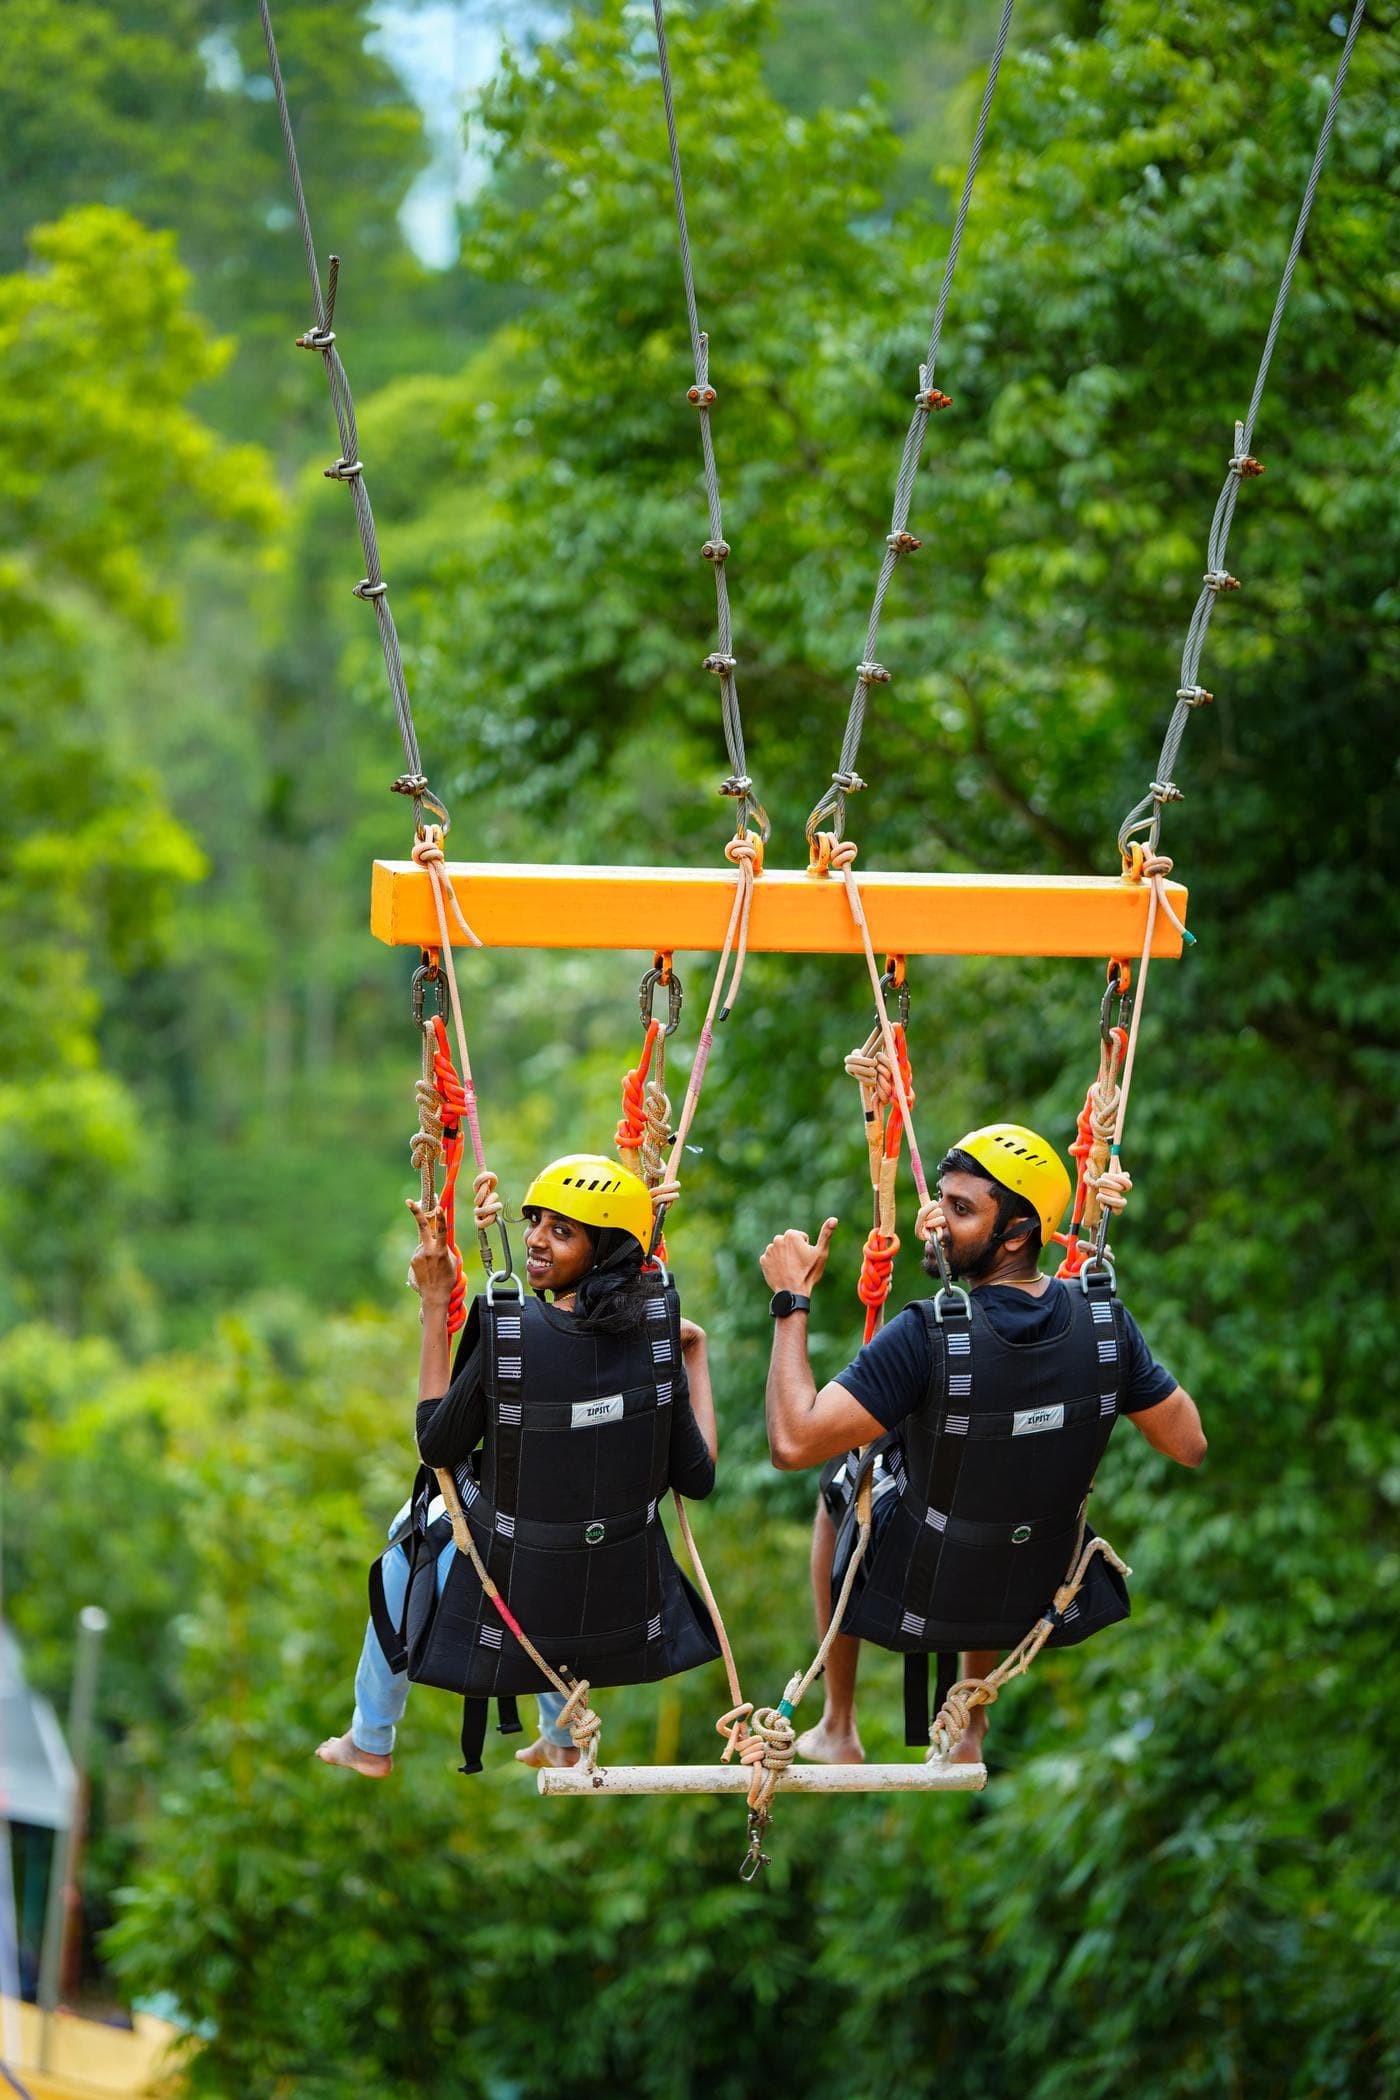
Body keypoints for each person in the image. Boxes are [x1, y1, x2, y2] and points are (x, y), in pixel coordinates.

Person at [758, 1122, 1206, 1767]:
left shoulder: (927, 1337)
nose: (935, 1221)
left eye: (962, 1210)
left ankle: (838, 1724)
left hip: (921, 1587)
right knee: (994, 1477)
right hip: (1034, 1590)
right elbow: (1188, 1444)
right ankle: (969, 1731)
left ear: (1019, 1232)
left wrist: (790, 1299)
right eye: (941, 1199)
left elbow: (792, 1440)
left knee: (842, 1473)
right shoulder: (1106, 1324)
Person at [318, 1153, 718, 1778]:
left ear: (606, 1248)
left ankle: (370, 1736)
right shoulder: (658, 1336)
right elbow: (699, 1477)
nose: (533, 1240)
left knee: (416, 1530)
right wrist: (695, 1356)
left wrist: (434, 1303)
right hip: (607, 1592)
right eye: (534, 1222)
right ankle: (558, 1735)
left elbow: (437, 1447)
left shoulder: (513, 1335)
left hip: (518, 1580)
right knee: (570, 1509)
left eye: (562, 1231)